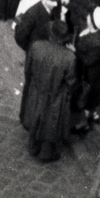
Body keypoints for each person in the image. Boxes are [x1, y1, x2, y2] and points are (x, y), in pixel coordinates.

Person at [20, 18, 75, 162]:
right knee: (50, 123)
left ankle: (32, 144)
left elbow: (28, 70)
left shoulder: (36, 46)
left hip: (37, 89)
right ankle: (45, 151)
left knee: (35, 115)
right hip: (56, 94)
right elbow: (71, 82)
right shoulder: (69, 57)